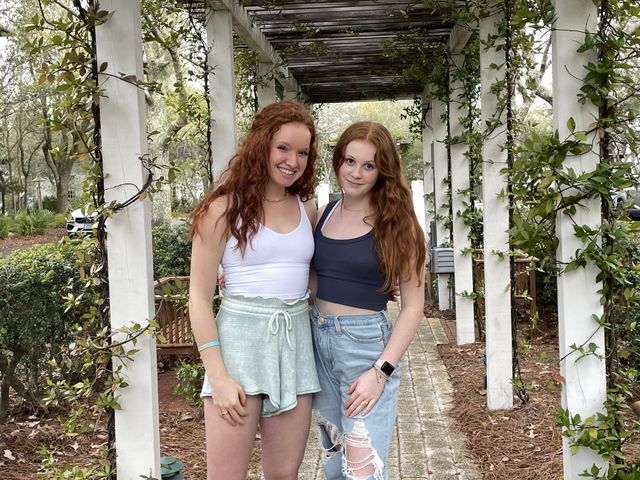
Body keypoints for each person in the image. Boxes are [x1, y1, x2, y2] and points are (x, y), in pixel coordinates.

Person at [188, 100, 321, 480]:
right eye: (283, 148)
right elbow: (198, 298)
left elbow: (311, 278)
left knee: (284, 474)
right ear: (261, 144)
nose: (292, 161)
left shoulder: (307, 208)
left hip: (294, 346)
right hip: (238, 349)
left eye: (302, 152)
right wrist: (218, 377)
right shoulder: (222, 209)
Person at [310, 121, 426, 480]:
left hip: (364, 350)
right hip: (317, 344)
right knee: (335, 466)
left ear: (382, 171)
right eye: (350, 161)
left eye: (369, 165)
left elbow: (413, 307)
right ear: (338, 161)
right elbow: (310, 278)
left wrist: (381, 372)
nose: (356, 173)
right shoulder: (323, 214)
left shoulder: (399, 225)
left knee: (364, 470)